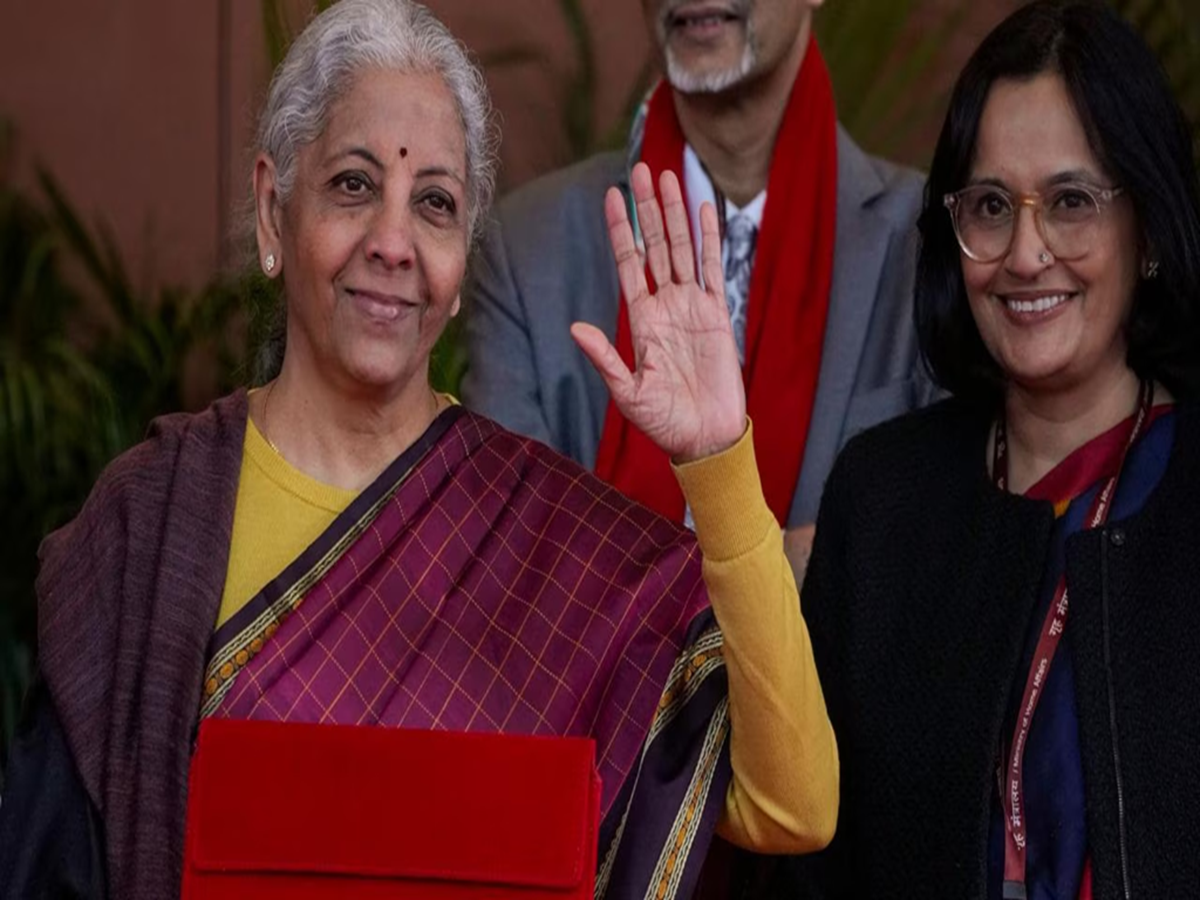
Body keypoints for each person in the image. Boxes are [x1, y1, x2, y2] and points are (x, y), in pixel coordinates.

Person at [0, 2, 838, 899]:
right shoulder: (151, 523)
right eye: (353, 185)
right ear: (274, 213)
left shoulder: (546, 547)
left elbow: (793, 805)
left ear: (462, 253)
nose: (393, 243)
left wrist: (719, 460)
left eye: (434, 203)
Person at [759, 1, 1200, 897]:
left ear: (1148, 230)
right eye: (991, 207)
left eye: (1071, 202)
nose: (1026, 255)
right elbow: (806, 864)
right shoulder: (883, 499)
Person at [461, 0, 938, 577]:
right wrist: (800, 557)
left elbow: (937, 554)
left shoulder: (927, 245)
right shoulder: (527, 247)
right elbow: (514, 557)